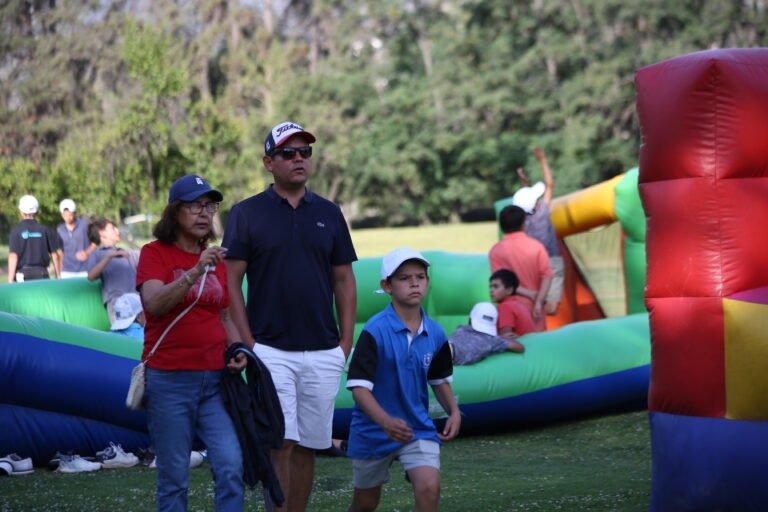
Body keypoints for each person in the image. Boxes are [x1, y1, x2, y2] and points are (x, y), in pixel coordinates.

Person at [223, 121, 357, 512]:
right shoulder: (246, 213)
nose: (299, 159)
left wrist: (344, 343)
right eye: (287, 153)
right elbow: (230, 282)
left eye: (305, 152)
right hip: (269, 349)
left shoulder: (329, 213)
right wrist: (248, 343)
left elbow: (344, 280)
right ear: (269, 162)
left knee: (309, 446)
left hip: (324, 350)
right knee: (280, 443)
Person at [136, 174, 248, 512]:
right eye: (195, 205)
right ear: (175, 211)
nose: (204, 213)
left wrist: (239, 350)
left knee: (231, 465)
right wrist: (195, 271)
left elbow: (225, 317)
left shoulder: (216, 259)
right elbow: (154, 304)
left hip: (214, 381)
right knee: (174, 478)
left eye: (209, 206)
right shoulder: (154, 254)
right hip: (169, 381)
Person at [346, 247, 461, 512]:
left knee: (429, 487)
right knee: (365, 504)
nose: (414, 283)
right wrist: (385, 421)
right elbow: (359, 389)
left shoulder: (436, 333)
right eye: (404, 278)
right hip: (372, 431)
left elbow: (439, 380)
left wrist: (454, 411)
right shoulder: (374, 331)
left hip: (417, 428)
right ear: (387, 286)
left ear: (427, 282)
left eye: (420, 277)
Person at [514, 147, 564, 315]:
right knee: (550, 308)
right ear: (536, 201)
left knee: (537, 305)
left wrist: (524, 184)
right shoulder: (543, 210)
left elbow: (525, 201)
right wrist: (543, 160)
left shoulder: (523, 218)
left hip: (534, 263)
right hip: (550, 262)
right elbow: (549, 184)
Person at [489, 205, 552, 332]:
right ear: (524, 224)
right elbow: (548, 276)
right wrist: (538, 301)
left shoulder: (496, 251)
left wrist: (527, 293)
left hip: (509, 313)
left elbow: (501, 283)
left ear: (501, 226)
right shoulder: (536, 246)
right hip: (535, 309)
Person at [87, 218, 140, 325]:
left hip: (137, 301)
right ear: (101, 233)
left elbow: (146, 256)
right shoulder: (97, 254)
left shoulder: (126, 252)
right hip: (118, 301)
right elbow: (91, 276)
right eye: (112, 228)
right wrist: (109, 257)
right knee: (126, 332)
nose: (117, 230)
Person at [449, 302, 525, 366]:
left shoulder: (461, 329)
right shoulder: (492, 340)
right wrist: (502, 338)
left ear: (470, 319)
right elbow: (520, 348)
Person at [8, 195, 61, 282]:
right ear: (37, 211)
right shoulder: (45, 230)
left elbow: (13, 256)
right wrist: (58, 276)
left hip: (22, 275)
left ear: (21, 211)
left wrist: (10, 280)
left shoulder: (15, 231)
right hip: (42, 274)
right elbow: (55, 255)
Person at [489, 269, 535, 338]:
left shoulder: (505, 306)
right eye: (490, 287)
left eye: (496, 287)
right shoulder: (518, 304)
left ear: (509, 290)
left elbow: (507, 338)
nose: (491, 290)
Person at [56, 198, 96, 278]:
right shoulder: (60, 229)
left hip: (85, 269)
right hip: (67, 271)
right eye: (65, 215)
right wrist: (59, 272)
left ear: (75, 213)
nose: (68, 218)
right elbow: (60, 252)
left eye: (70, 215)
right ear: (61, 215)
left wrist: (86, 253)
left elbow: (95, 243)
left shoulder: (84, 225)